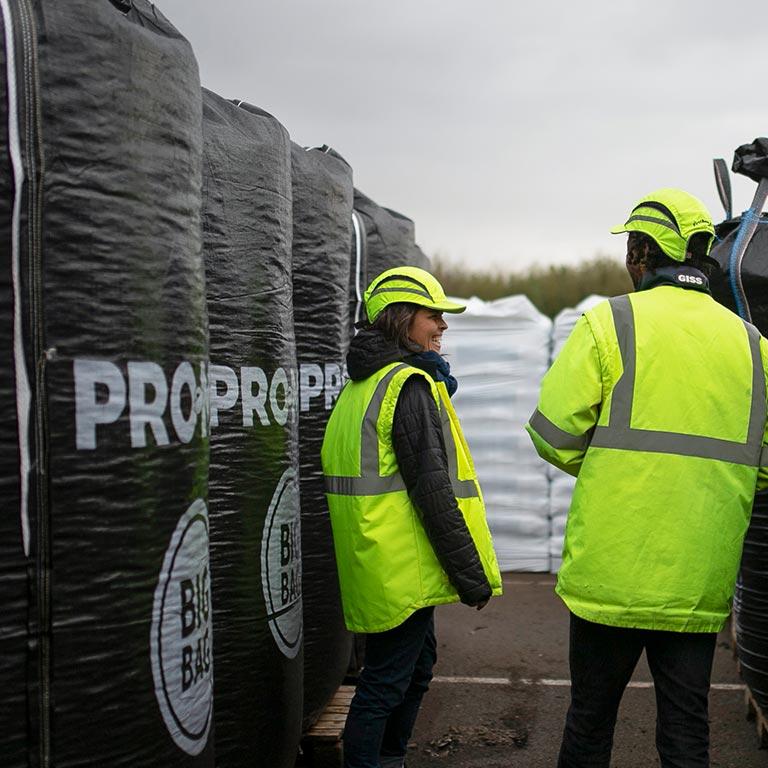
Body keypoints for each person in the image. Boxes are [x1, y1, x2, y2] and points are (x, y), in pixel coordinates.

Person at [525, 188, 768, 768]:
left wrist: (614, 469)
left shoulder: (610, 323)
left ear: (642, 254)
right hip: (697, 578)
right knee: (686, 731)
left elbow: (551, 433)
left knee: (590, 723)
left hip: (611, 574)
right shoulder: (755, 346)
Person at [322, 266, 503, 768]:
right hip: (400, 567)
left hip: (380, 560)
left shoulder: (363, 384)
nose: (442, 325)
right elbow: (434, 492)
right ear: (402, 320)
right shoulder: (406, 386)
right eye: (433, 315)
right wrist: (471, 577)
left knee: (416, 669)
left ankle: (390, 760)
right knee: (384, 684)